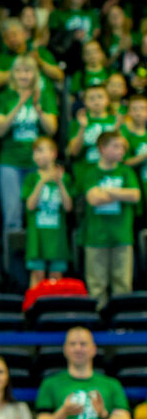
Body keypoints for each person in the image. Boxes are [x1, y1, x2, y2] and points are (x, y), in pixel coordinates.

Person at [0, 55, 60, 233]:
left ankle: (35, 246)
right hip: (10, 161)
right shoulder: (6, 96)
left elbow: (51, 129)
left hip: (37, 163)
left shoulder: (44, 96)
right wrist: (19, 104)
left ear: (35, 74)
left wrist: (38, 109)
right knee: (12, 212)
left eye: (27, 71)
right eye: (18, 71)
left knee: (37, 209)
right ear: (12, 74)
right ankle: (12, 246)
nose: (23, 75)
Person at [78, 131, 140, 309]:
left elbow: (135, 195)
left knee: (123, 284)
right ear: (102, 148)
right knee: (97, 286)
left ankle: (123, 319)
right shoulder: (91, 172)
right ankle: (98, 319)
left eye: (122, 147)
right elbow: (93, 199)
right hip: (96, 237)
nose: (121, 150)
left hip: (122, 236)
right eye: (116, 146)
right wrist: (121, 193)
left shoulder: (126, 171)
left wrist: (106, 190)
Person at [23, 137, 75, 288]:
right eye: (34, 152)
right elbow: (30, 205)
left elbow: (68, 207)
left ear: (53, 153)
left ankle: (54, 302)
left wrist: (60, 183)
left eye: (40, 151)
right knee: (37, 274)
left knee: (56, 277)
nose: (36, 156)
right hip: (37, 236)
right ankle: (34, 301)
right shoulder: (31, 178)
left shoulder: (65, 178)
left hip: (57, 237)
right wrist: (42, 181)